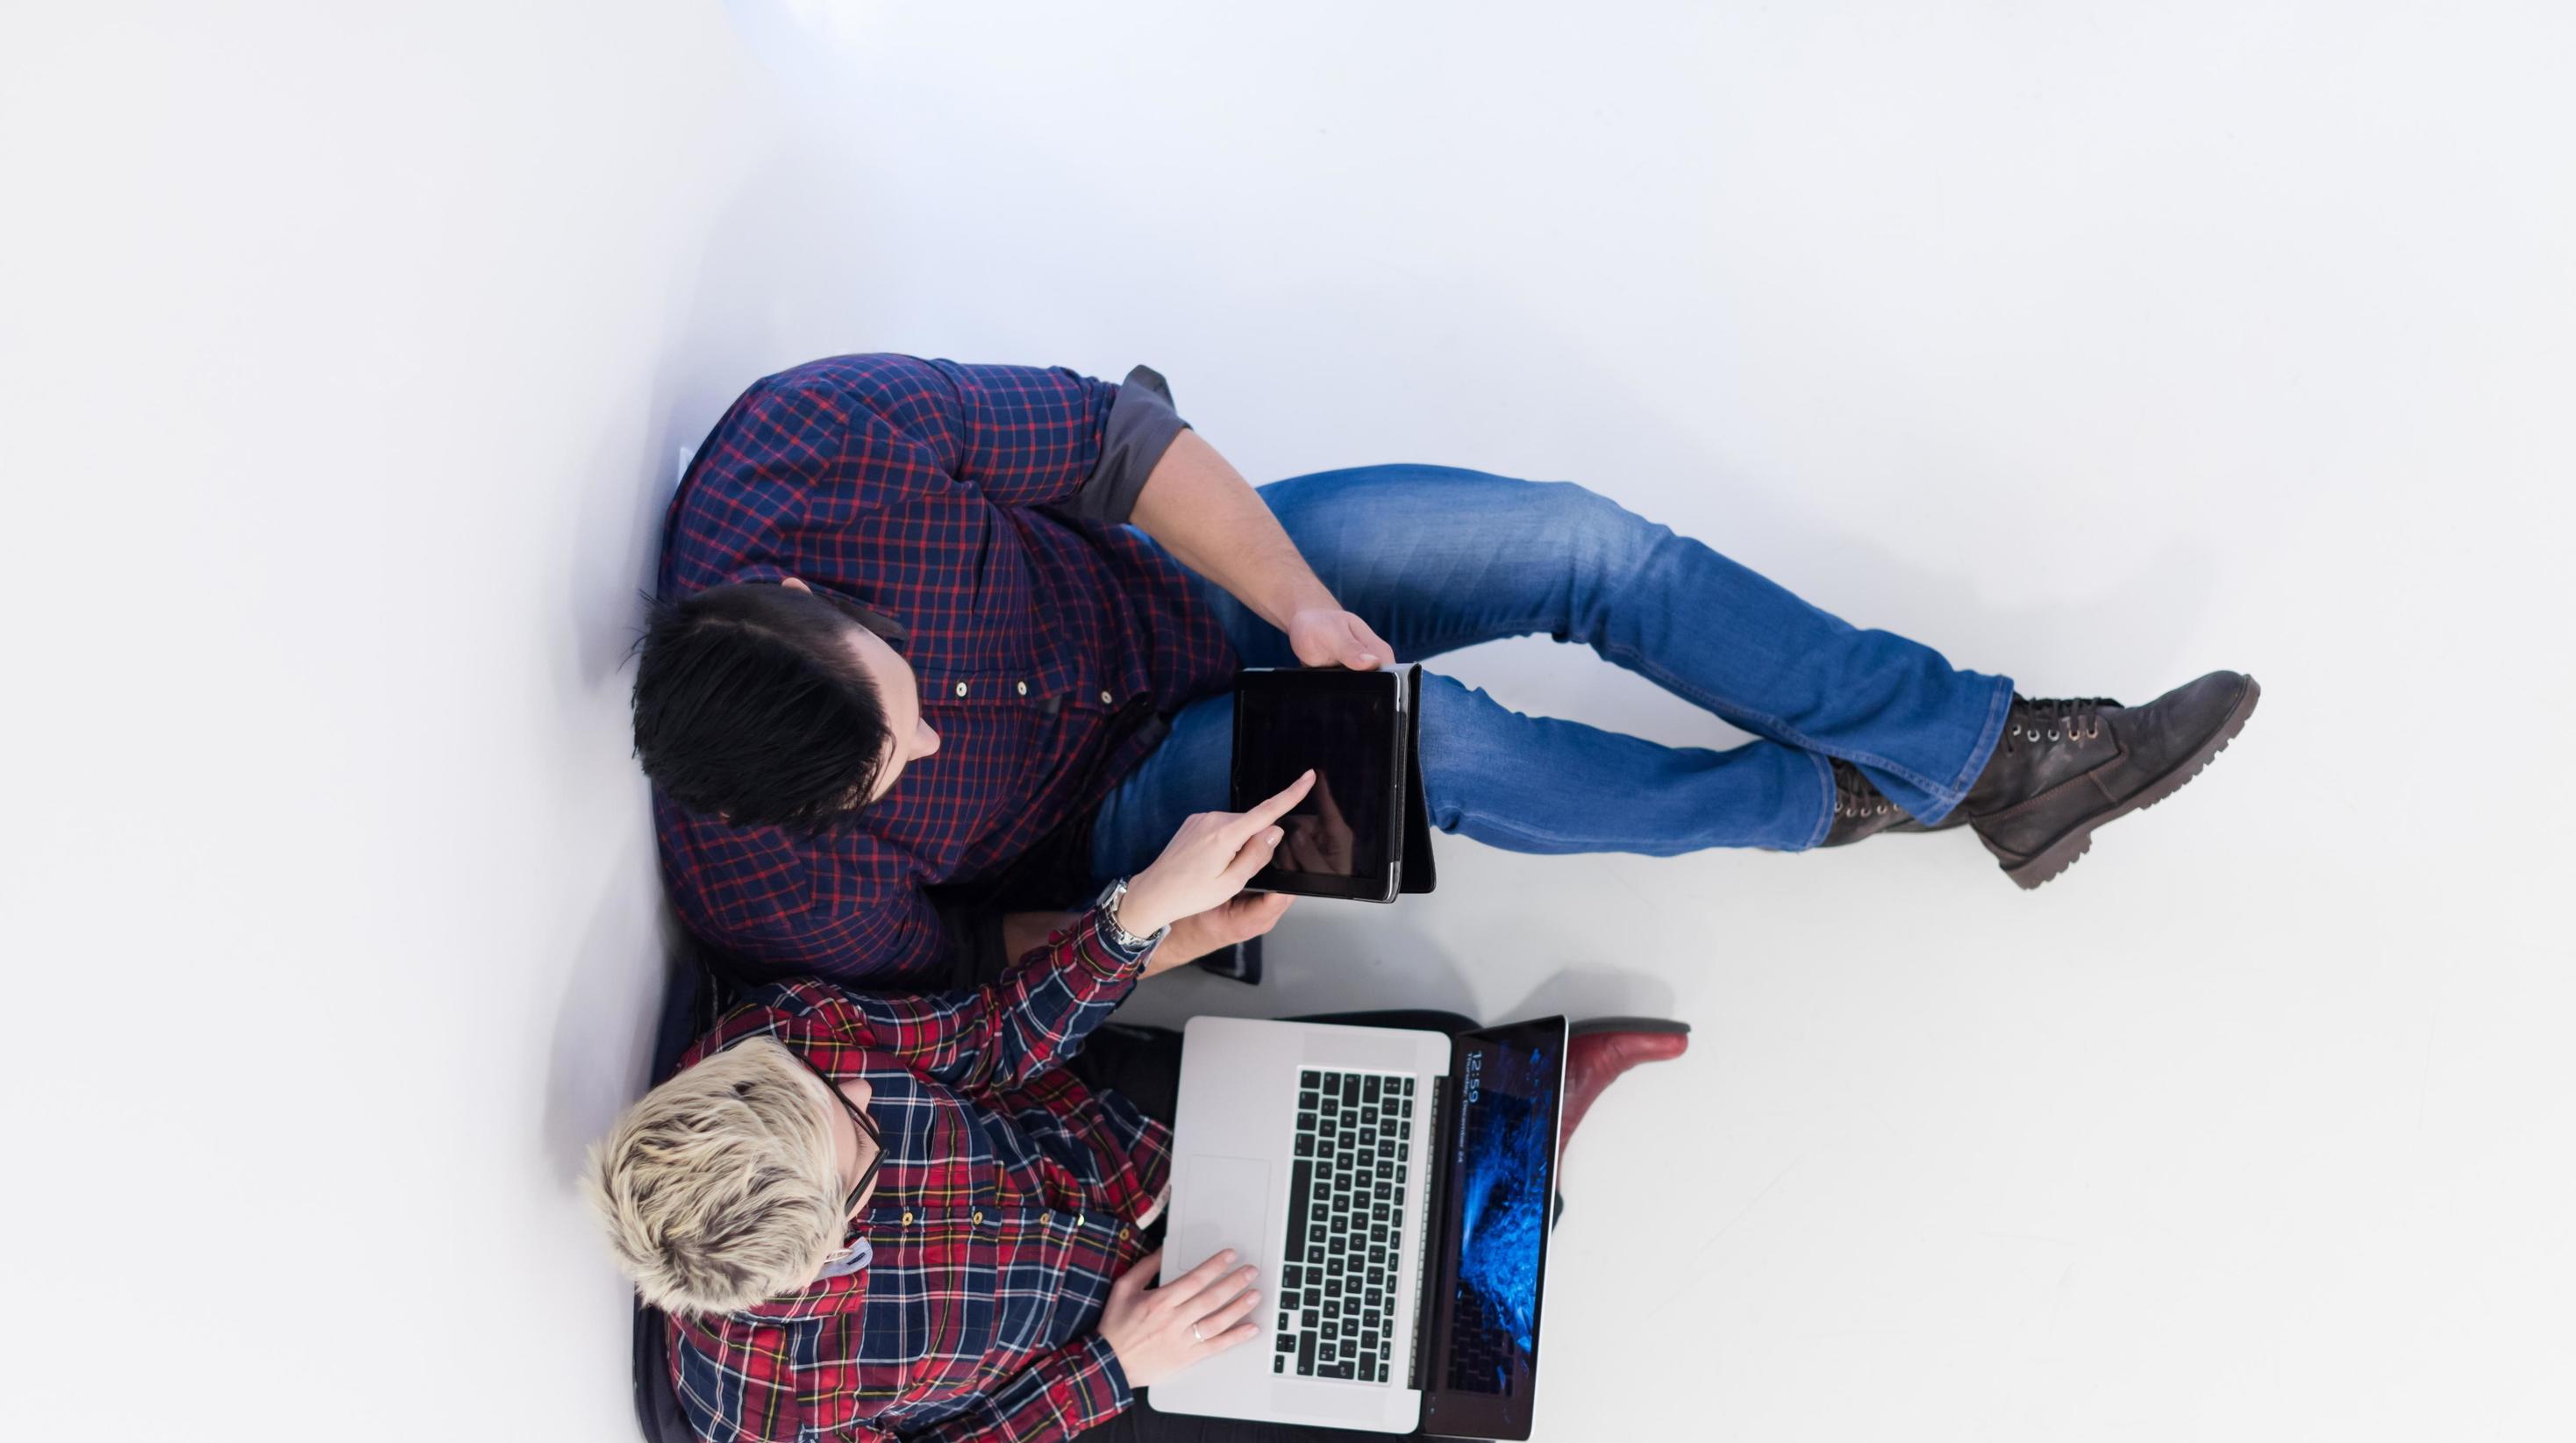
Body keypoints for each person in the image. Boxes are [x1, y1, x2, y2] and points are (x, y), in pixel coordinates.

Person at [633, 354, 2259, 991]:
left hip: (1185, 588)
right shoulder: (761, 872)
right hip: (1127, 808)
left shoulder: (811, 444)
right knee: (1444, 753)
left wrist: (1294, 599)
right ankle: (1836, 801)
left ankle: (1981, 761)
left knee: (1573, 543)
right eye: (887, 785)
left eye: (898, 719)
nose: (917, 762)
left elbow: (1122, 447)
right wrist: (1153, 923)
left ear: (791, 591)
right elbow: (963, 960)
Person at [589, 786, 1687, 1443]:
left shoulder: (785, 1052)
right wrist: (1113, 1367)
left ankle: (1505, 1164)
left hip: (1085, 1151)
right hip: (1080, 1378)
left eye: (838, 1092)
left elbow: (981, 1043)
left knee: (1434, 1060)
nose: (871, 1090)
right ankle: (1508, 1185)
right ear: (826, 1256)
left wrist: (1137, 917)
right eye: (865, 1142)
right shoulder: (774, 1421)